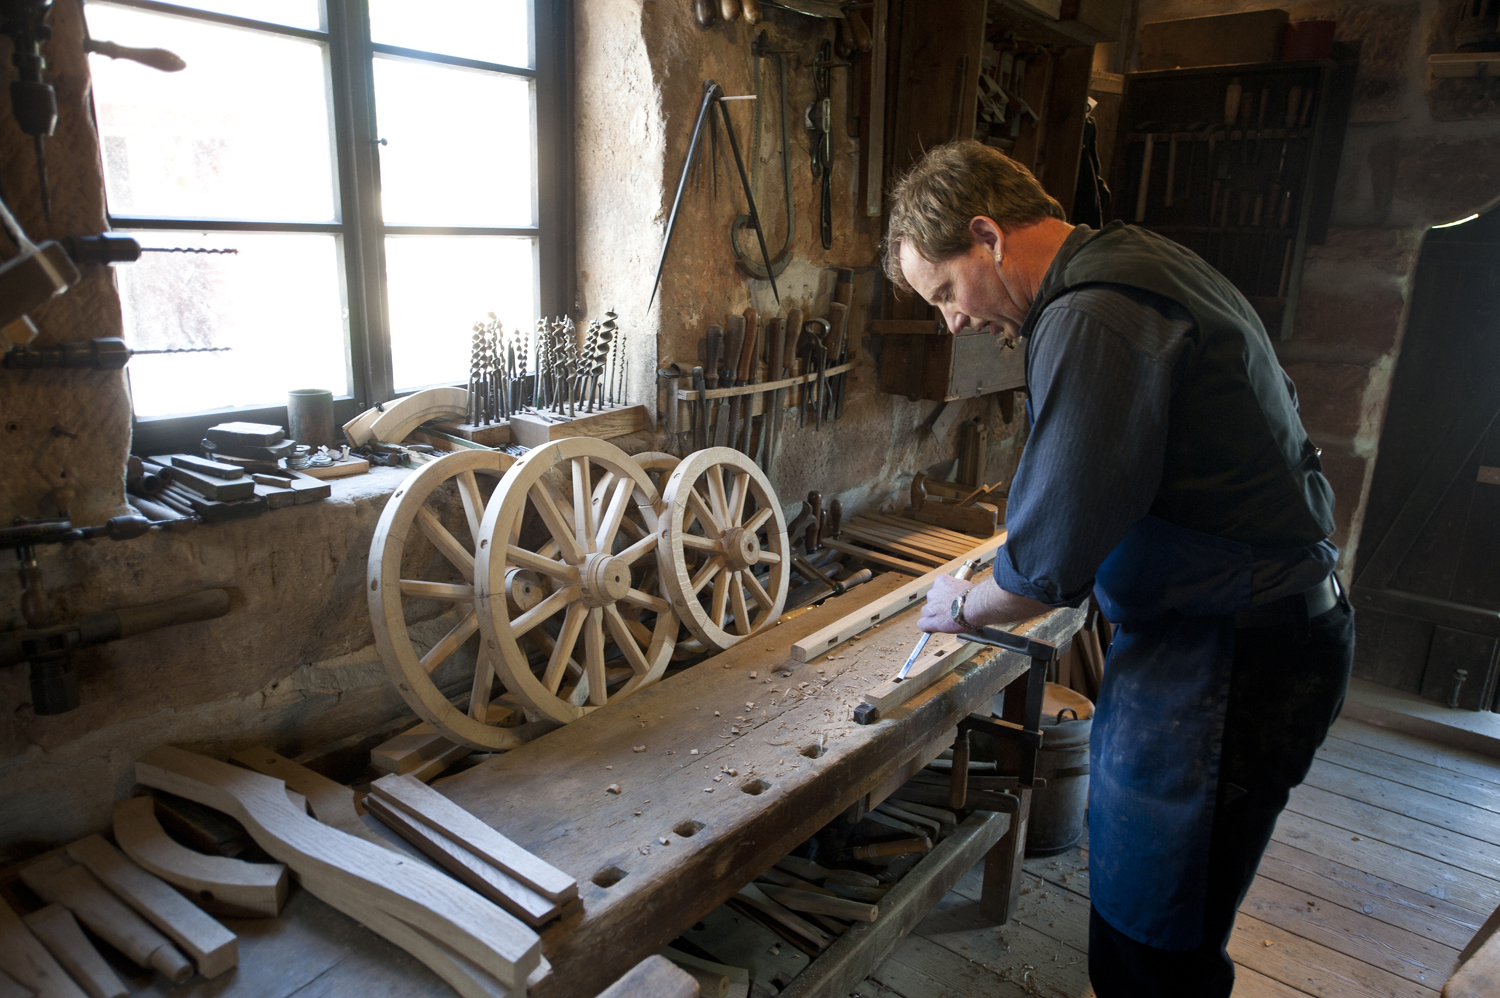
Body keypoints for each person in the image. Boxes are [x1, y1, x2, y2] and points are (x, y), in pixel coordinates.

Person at [888, 139, 1354, 997]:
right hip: (1243, 636)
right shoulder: (1135, 260)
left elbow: (1043, 573)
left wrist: (960, 606)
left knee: (1152, 956)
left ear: (988, 235)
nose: (952, 321)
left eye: (946, 291)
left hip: (1227, 661)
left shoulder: (1093, 312)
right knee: (1162, 932)